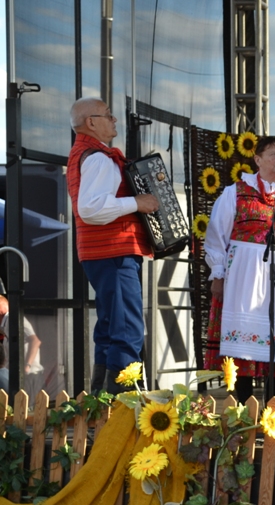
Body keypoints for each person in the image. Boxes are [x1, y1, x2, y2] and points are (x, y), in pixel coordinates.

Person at [204, 136, 275, 405]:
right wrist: (218, 274)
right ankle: (245, 404)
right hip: (244, 274)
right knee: (244, 335)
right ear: (257, 159)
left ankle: (273, 405)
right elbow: (216, 237)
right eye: (273, 154)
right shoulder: (234, 192)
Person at [67, 97, 159, 393]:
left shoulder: (88, 154)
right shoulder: (97, 157)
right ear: (91, 122)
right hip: (114, 251)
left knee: (110, 329)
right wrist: (138, 202)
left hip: (104, 253)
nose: (115, 119)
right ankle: (121, 409)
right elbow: (91, 209)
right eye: (108, 115)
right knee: (127, 331)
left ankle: (101, 406)